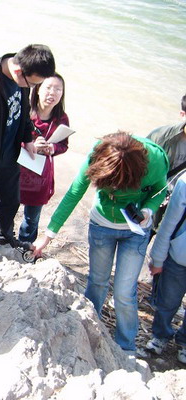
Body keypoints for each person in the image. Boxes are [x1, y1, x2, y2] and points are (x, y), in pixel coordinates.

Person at [33, 132, 169, 354]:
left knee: (124, 292)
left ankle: (126, 347)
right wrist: (48, 235)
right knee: (97, 283)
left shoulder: (155, 160)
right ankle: (87, 331)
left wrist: (148, 210)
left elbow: (160, 190)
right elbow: (74, 192)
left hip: (135, 231)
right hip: (102, 226)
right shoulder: (98, 154)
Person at [0, 44, 55, 249]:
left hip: (10, 149)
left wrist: (28, 138)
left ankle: (2, 237)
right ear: (18, 70)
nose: (32, 88)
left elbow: (24, 111)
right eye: (32, 83)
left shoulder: (23, 78)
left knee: (10, 199)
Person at [18, 73, 69, 243]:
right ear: (38, 89)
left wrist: (52, 148)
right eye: (48, 87)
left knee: (31, 219)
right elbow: (7, 140)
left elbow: (64, 145)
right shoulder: (24, 112)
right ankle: (0, 241)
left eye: (58, 89)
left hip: (40, 175)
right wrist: (30, 145)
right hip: (18, 170)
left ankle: (25, 247)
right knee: (7, 209)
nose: (52, 93)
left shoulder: (62, 118)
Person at [144, 174, 186, 364]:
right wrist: (158, 258)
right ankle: (160, 335)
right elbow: (169, 222)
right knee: (167, 301)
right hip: (178, 256)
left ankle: (184, 341)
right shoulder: (184, 182)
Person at [147, 93, 186, 230]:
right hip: (156, 196)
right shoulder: (161, 136)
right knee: (147, 231)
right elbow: (141, 167)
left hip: (181, 202)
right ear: (182, 114)